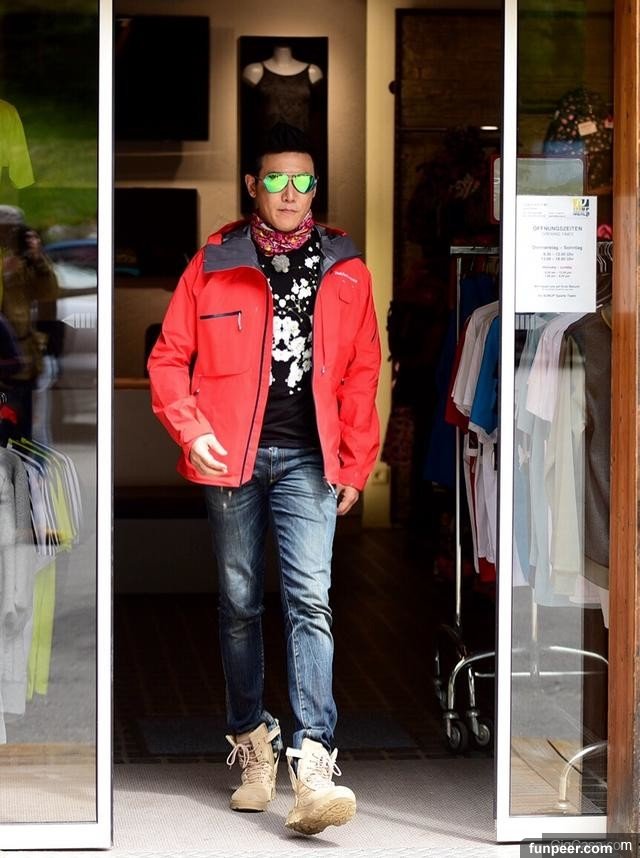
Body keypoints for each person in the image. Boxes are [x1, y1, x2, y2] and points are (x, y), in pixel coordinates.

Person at [147, 122, 381, 836]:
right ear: (253, 185)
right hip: (232, 459)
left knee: (310, 600)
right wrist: (193, 430)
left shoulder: (347, 268)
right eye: (275, 179)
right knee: (240, 604)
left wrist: (356, 460)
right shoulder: (215, 261)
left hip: (311, 457)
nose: (288, 192)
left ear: (315, 187)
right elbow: (168, 358)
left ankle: (314, 766)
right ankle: (254, 743)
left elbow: (363, 371)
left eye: (302, 180)